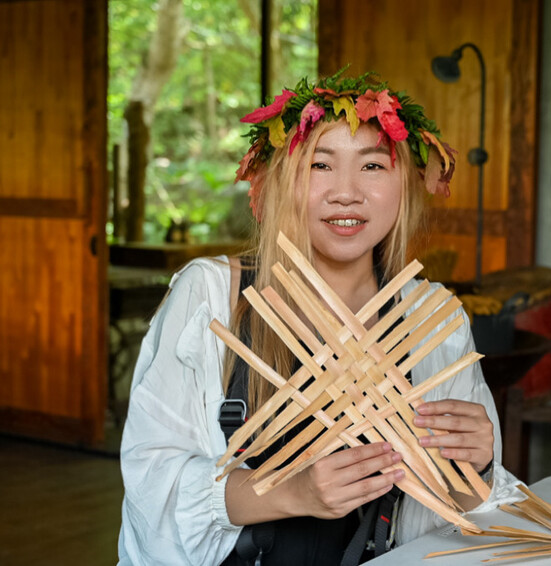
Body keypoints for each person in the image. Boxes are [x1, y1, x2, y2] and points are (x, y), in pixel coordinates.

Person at [118, 71, 522, 566]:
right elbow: (152, 481)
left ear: (406, 186)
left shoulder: (431, 316)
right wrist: (293, 493)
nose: (346, 193)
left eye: (373, 165)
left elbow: (456, 516)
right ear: (280, 182)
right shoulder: (211, 295)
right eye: (319, 165)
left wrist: (475, 465)